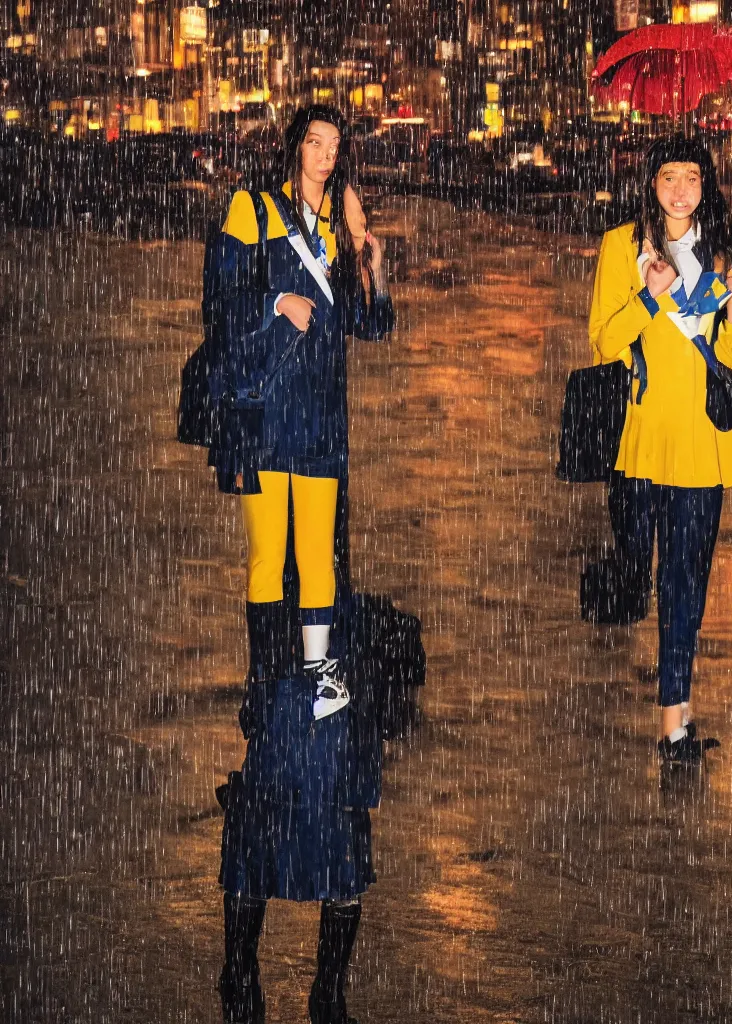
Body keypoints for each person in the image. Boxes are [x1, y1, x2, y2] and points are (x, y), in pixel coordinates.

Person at [206, 104, 395, 1024]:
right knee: (267, 550)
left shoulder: (331, 224)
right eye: (311, 145)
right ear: (292, 151)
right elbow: (220, 298)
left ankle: (318, 669)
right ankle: (263, 668)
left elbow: (371, 324)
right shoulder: (254, 207)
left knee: (317, 549)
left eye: (333, 149)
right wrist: (268, 309)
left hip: (320, 412)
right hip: (264, 405)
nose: (322, 158)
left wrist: (367, 253)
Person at [588, 133, 732, 765]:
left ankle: (674, 722)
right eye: (669, 176)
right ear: (651, 183)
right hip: (645, 435)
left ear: (706, 185)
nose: (681, 188)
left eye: (692, 176)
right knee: (645, 571)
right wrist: (648, 297)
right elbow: (602, 342)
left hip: (704, 440)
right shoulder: (622, 246)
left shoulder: (721, 253)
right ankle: (674, 710)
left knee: (685, 580)